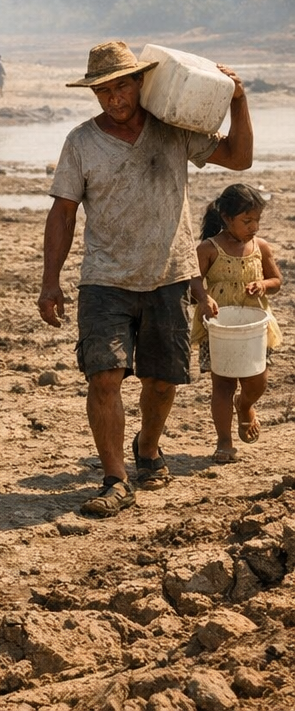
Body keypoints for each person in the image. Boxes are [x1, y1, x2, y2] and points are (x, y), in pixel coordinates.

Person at [38, 41, 252, 517]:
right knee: (104, 377)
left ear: (140, 83)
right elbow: (63, 213)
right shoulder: (80, 142)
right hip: (104, 279)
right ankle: (114, 479)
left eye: (121, 87)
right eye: (103, 92)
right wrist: (50, 280)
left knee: (160, 380)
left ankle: (148, 446)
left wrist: (238, 100)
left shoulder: (174, 130)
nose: (114, 100)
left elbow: (238, 158)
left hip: (169, 277)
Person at [193, 184, 282, 464]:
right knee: (223, 385)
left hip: (254, 325)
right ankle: (224, 441)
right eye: (247, 221)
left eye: (257, 220)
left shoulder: (261, 247)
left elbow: (277, 281)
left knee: (258, 381)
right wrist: (204, 298)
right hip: (220, 326)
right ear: (226, 217)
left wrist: (263, 284)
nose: (253, 227)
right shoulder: (209, 248)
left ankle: (245, 406)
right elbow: (193, 281)